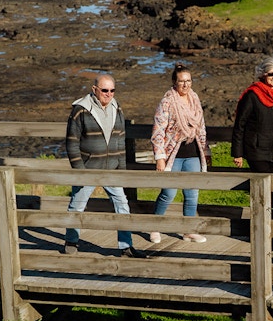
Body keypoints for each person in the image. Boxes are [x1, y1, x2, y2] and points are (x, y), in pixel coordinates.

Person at [64, 72, 147, 258]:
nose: (109, 94)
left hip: (112, 168)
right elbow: (71, 142)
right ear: (95, 90)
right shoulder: (80, 110)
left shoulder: (117, 108)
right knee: (77, 206)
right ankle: (71, 241)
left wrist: (122, 169)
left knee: (122, 204)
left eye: (112, 90)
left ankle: (125, 246)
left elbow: (120, 141)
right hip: (88, 168)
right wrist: (80, 171)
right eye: (104, 90)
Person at [231, 56, 273, 251]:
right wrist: (237, 153)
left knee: (271, 194)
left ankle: (270, 234)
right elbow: (239, 125)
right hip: (256, 151)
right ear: (263, 74)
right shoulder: (253, 95)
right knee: (262, 194)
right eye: (271, 74)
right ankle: (264, 236)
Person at [149, 63, 209, 244]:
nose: (185, 85)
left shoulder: (194, 99)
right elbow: (158, 129)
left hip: (193, 152)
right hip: (172, 155)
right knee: (168, 193)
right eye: (181, 81)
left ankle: (188, 230)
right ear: (174, 82)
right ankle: (155, 226)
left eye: (188, 81)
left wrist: (205, 151)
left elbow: (201, 126)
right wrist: (159, 157)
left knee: (192, 194)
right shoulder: (167, 101)